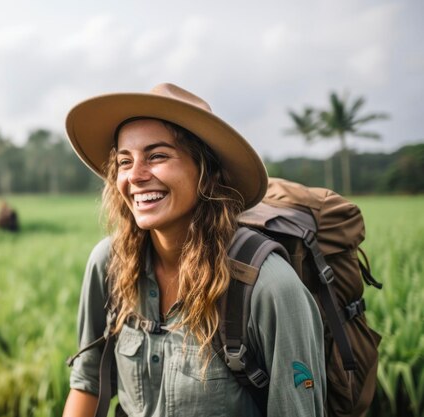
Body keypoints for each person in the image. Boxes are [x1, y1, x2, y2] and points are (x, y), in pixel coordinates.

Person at [62, 83, 326, 417]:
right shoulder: (109, 263)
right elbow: (87, 384)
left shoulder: (267, 286)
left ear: (207, 172)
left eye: (157, 156)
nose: (136, 176)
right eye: (125, 161)